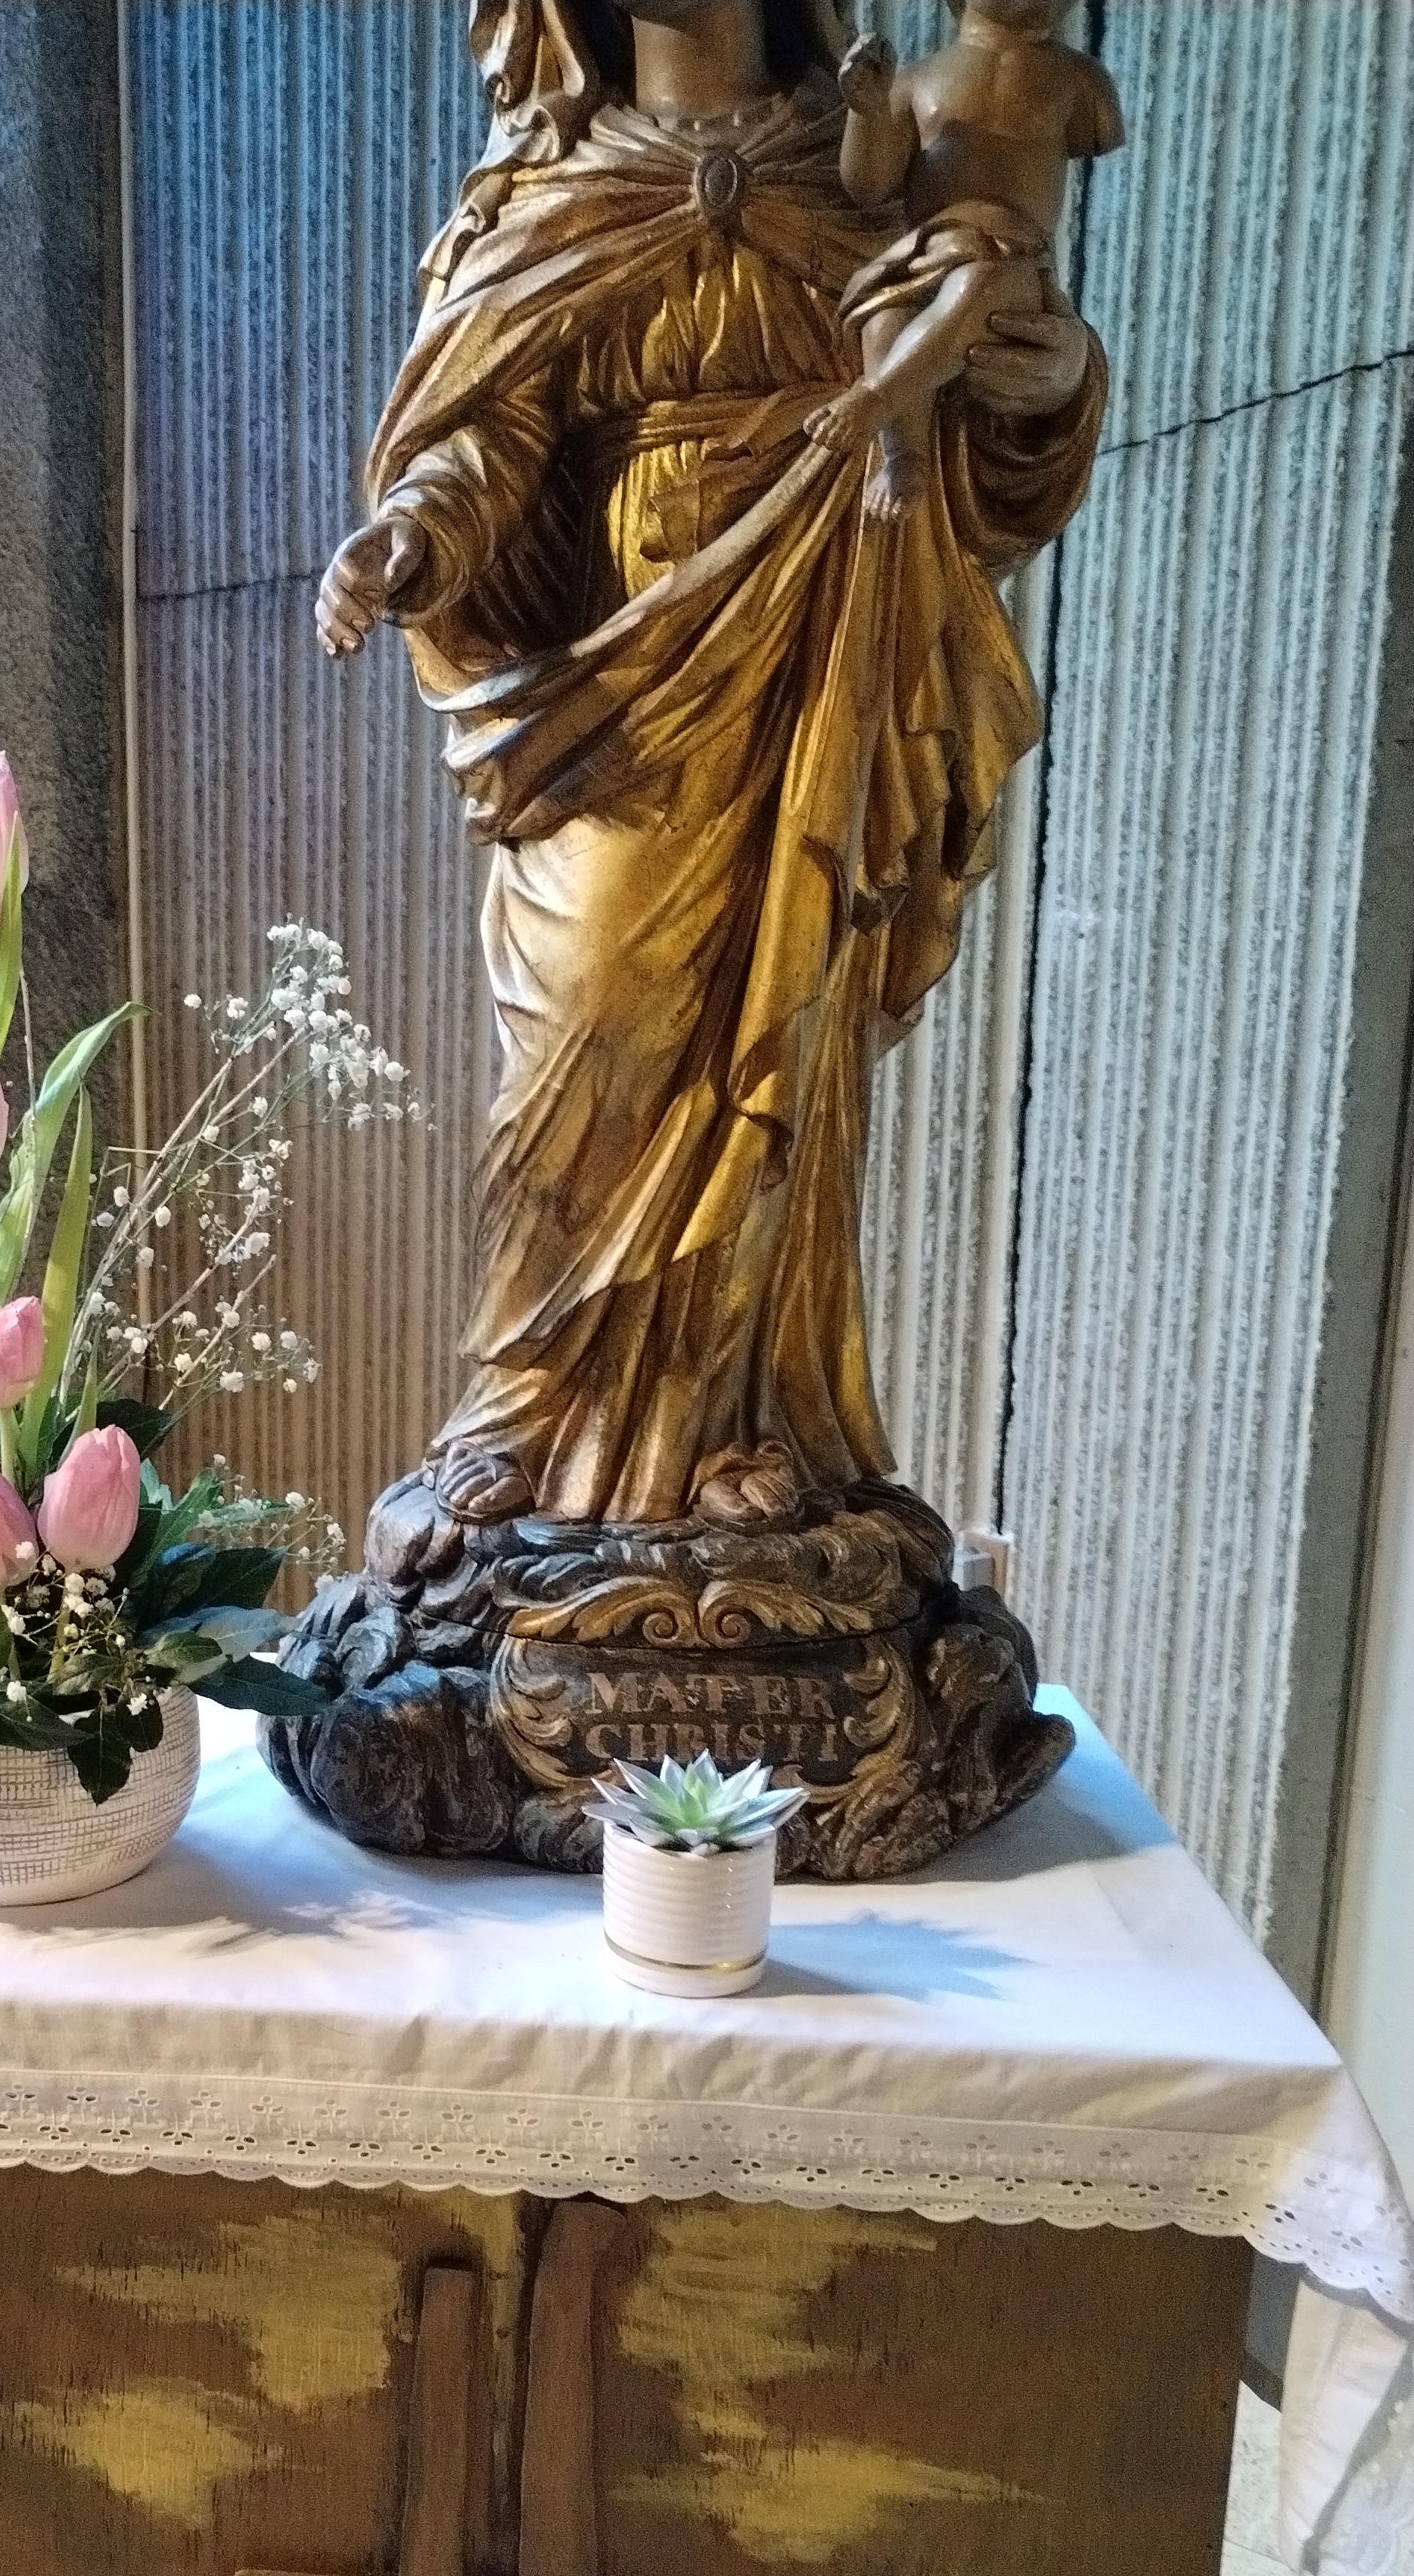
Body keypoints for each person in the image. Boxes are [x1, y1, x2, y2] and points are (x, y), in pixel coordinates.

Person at [317, 0, 1108, 1535]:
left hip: (815, 659)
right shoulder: (551, 192)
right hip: (618, 695)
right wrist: (408, 538)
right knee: (592, 1020)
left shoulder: (873, 158)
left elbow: (984, 415)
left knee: (782, 1040)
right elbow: (486, 439)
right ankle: (528, 1403)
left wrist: (1045, 372)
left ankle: (752, 1422)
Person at [807, 0, 1125, 520]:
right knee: (883, 322)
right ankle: (903, 456)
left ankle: (877, 397)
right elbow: (869, 185)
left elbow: (1104, 138)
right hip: (929, 255)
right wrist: (867, 112)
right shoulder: (917, 81)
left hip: (1015, 262)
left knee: (977, 286)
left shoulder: (1079, 82)